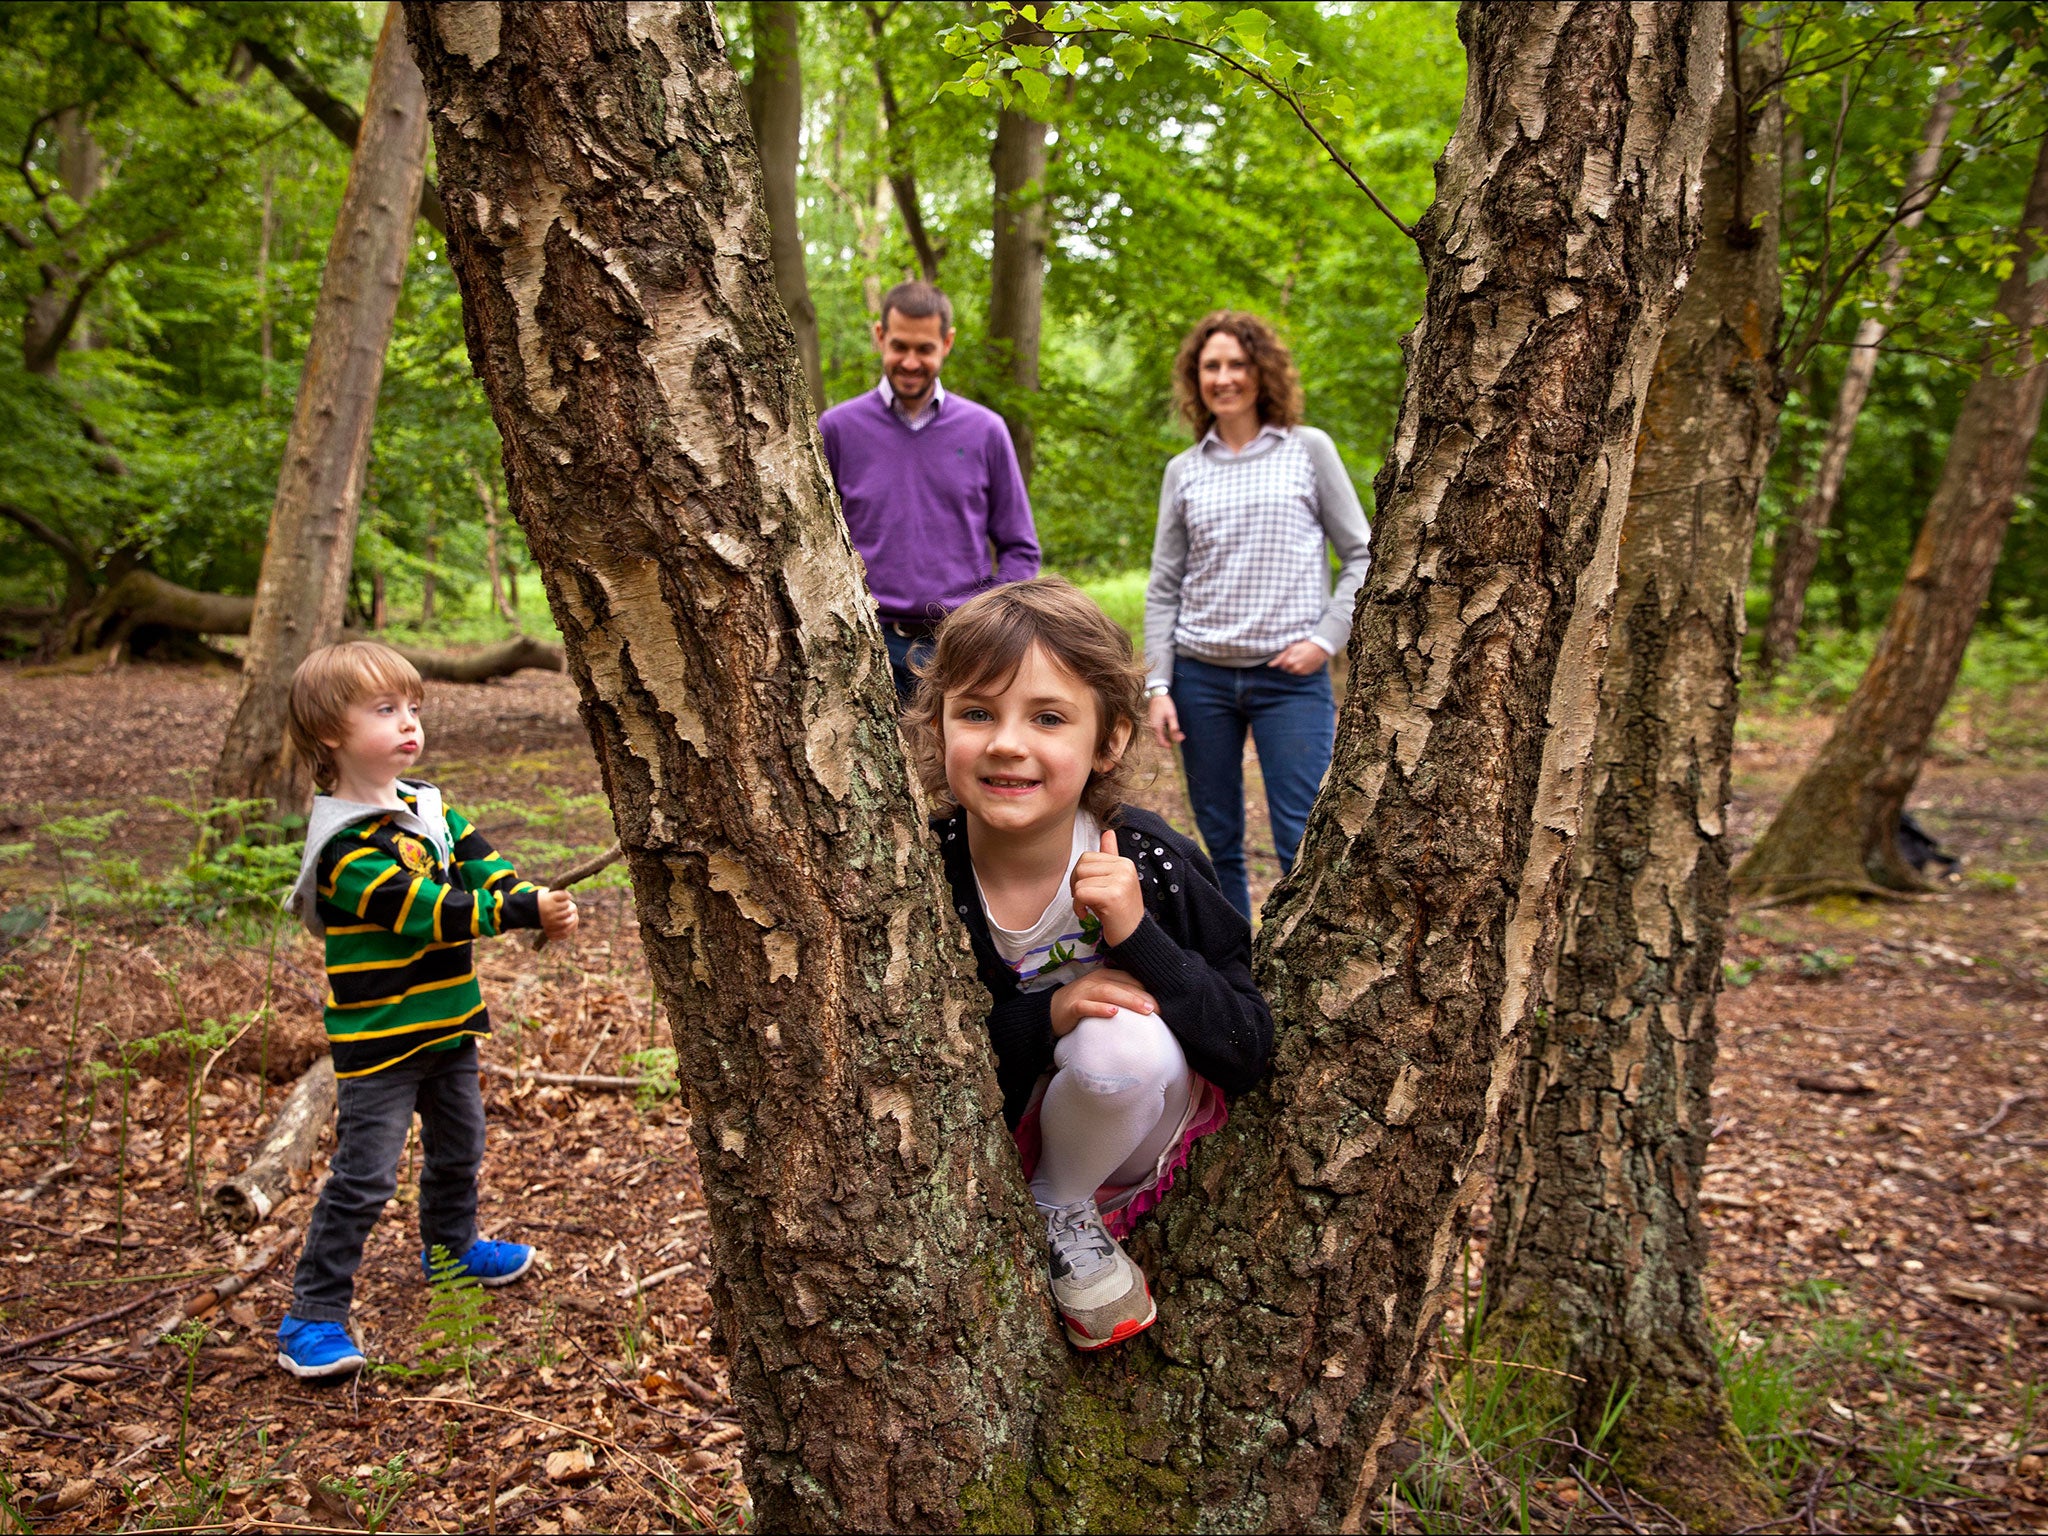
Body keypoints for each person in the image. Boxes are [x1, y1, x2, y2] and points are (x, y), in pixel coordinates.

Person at [906, 578, 1273, 1349]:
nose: (1007, 742)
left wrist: (1138, 935)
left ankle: (1061, 1208)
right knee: (1085, 1021)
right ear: (937, 728)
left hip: (1127, 1120)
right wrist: (1048, 1014)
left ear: (1108, 741)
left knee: (1120, 1040)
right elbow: (920, 1056)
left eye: (1048, 717)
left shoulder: (1151, 860)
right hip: (990, 1129)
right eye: (976, 712)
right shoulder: (921, 870)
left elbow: (1248, 1047)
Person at [272, 641, 578, 1380]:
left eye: (414, 707)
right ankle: (311, 1314)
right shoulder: (343, 848)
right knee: (366, 1176)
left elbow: (480, 861)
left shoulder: (426, 805)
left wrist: (522, 897)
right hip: (380, 1041)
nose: (409, 723)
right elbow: (427, 911)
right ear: (329, 734)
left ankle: (450, 1248)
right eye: (385, 711)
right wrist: (517, 912)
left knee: (460, 1145)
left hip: (447, 1022)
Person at [1143, 310, 1372, 920]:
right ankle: (1233, 979)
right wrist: (1158, 685)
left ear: (1260, 370)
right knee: (1218, 847)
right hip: (1201, 680)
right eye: (1210, 366)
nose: (1224, 378)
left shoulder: (1307, 449)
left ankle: (1297, 970)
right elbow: (1164, 586)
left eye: (1236, 364)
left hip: (1289, 680)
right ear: (1197, 379)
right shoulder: (1184, 471)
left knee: (1302, 836)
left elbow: (1361, 554)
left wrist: (1326, 640)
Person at [819, 280, 1041, 699]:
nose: (910, 361)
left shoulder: (985, 431)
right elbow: (817, 544)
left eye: (924, 349)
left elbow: (1021, 549)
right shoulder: (837, 429)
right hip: (867, 644)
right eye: (899, 346)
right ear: (879, 336)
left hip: (961, 646)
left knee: (949, 766)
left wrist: (988, 623)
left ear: (947, 342)